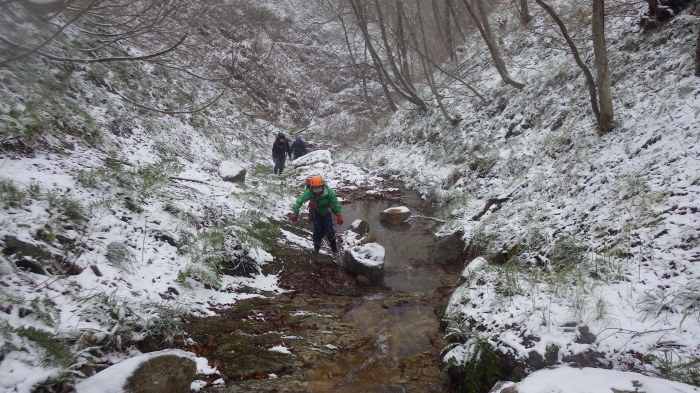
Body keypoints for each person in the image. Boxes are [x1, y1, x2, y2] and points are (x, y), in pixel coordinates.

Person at [290, 175, 343, 255]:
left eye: (319, 188)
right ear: (311, 188)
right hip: (316, 213)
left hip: (327, 212)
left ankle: (334, 249)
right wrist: (295, 213)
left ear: (322, 186)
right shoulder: (309, 192)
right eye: (315, 189)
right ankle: (316, 250)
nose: (317, 191)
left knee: (330, 231)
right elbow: (299, 201)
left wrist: (338, 215)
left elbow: (335, 203)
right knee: (317, 232)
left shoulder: (329, 191)